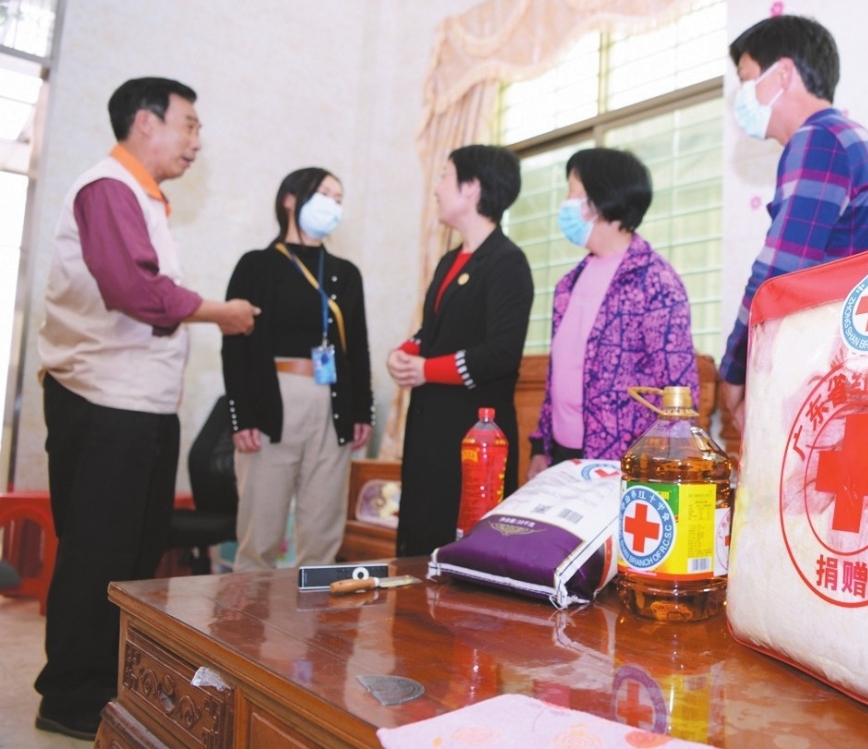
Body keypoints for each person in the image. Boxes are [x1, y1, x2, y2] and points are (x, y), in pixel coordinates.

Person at [34, 77, 258, 741]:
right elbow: (132, 288)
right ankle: (70, 693)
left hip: (141, 406)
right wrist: (219, 312)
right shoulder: (108, 188)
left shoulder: (145, 199)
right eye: (189, 124)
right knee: (98, 551)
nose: (197, 141)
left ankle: (114, 680)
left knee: (135, 552)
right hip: (103, 402)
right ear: (145, 122)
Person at [720, 15, 868, 431]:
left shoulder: (818, 140)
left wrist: (735, 369)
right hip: (857, 368)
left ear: (782, 74)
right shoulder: (848, 135)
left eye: (746, 79)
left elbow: (777, 275)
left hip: (823, 370)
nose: (742, 97)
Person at [222, 168, 374, 571]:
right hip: (273, 400)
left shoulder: (346, 273)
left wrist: (363, 410)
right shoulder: (256, 265)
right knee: (260, 537)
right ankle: (248, 614)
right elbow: (234, 346)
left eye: (339, 198)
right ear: (290, 199)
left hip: (332, 402)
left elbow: (357, 347)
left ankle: (313, 614)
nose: (333, 204)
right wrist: (241, 416)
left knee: (322, 535)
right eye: (324, 193)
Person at [388, 145, 533, 557]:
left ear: (471, 188)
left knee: (462, 551)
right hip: (430, 431)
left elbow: (501, 352)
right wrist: (404, 354)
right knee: (418, 545)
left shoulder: (507, 262)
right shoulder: (450, 259)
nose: (437, 188)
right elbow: (433, 332)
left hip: (474, 434)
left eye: (445, 177)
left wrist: (425, 370)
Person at [527, 148, 698, 477]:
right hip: (562, 456)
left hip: (623, 464)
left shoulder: (655, 282)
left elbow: (679, 391)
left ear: (602, 198)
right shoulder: (567, 285)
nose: (566, 203)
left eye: (573, 192)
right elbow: (558, 376)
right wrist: (540, 446)